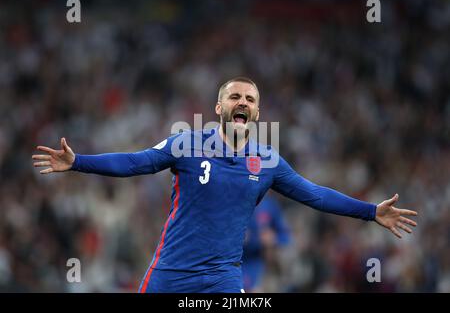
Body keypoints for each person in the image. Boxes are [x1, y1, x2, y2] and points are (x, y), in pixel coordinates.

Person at [32, 77, 418, 293]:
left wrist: (370, 212)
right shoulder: (186, 143)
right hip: (171, 273)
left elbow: (315, 194)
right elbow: (137, 162)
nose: (242, 102)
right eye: (234, 95)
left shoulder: (268, 162)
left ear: (257, 112)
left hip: (223, 278)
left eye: (250, 99)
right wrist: (78, 162)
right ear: (219, 107)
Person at [242, 194, 291, 292]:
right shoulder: (236, 202)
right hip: (234, 260)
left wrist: (273, 239)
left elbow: (285, 237)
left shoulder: (270, 205)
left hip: (258, 261)